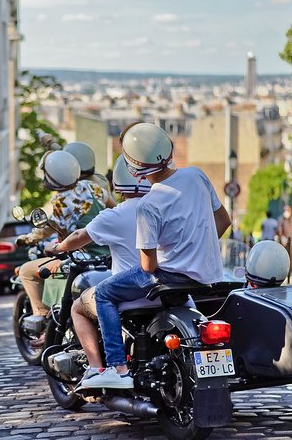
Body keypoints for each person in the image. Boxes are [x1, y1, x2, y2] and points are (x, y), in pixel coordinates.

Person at [80, 123, 231, 389]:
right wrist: (195, 249)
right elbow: (223, 220)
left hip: (168, 274)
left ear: (134, 170)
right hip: (206, 273)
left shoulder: (149, 205)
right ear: (169, 149)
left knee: (103, 293)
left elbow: (148, 266)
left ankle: (118, 369)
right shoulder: (197, 176)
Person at [44, 154, 151, 386]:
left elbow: (77, 236)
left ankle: (102, 368)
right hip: (165, 285)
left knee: (80, 307)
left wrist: (57, 248)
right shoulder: (163, 207)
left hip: (134, 288)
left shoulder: (116, 216)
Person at [15, 150, 112, 345]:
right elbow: (111, 207)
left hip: (83, 256)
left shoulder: (60, 202)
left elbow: (52, 231)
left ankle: (44, 321)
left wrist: (30, 238)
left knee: (26, 270)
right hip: (108, 254)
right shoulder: (93, 187)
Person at [278, 205, 292, 273]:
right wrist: (282, 236)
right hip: (285, 241)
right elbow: (280, 230)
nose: (286, 212)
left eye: (288, 210)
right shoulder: (281, 219)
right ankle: (286, 269)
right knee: (286, 255)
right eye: (285, 210)